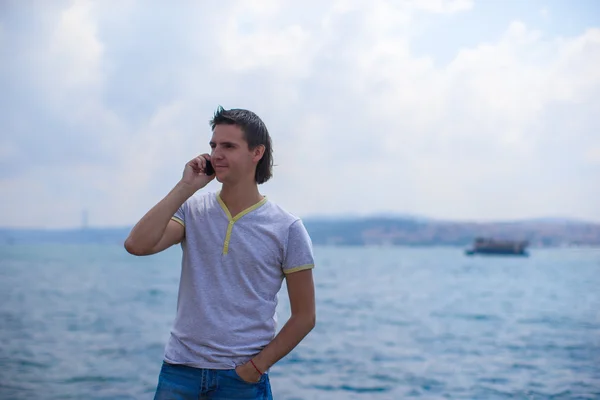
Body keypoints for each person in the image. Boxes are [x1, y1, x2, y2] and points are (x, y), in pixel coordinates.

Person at [124, 106, 316, 399]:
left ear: (257, 153)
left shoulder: (287, 227)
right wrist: (185, 187)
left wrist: (256, 367)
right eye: (213, 145)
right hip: (179, 370)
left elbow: (305, 316)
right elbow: (137, 245)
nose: (216, 154)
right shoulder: (192, 211)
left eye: (229, 146)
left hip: (241, 379)